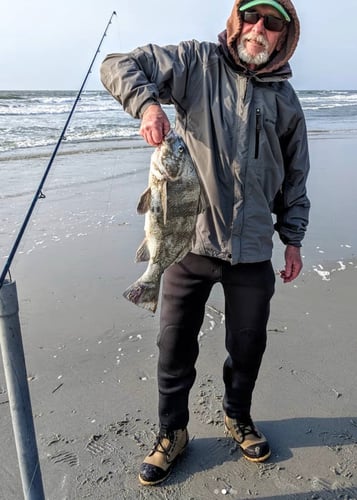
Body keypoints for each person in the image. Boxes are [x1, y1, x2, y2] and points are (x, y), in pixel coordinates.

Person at [100, 0, 310, 486]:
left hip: (253, 248)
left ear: (284, 35)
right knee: (173, 345)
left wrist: (293, 239)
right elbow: (118, 65)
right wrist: (149, 104)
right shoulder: (195, 63)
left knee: (248, 344)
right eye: (252, 17)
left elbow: (295, 177)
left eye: (271, 24)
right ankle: (172, 432)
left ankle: (237, 417)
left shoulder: (286, 101)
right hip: (186, 242)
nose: (259, 29)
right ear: (238, 21)